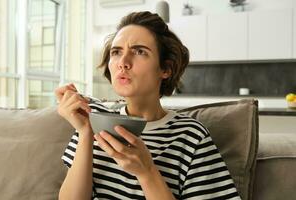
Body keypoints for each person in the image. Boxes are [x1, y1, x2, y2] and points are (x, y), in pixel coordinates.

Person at [55, 11, 241, 200]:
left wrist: (147, 172)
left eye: (139, 51)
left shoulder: (190, 135)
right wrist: (86, 132)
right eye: (116, 52)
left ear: (166, 69)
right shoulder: (94, 119)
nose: (123, 63)